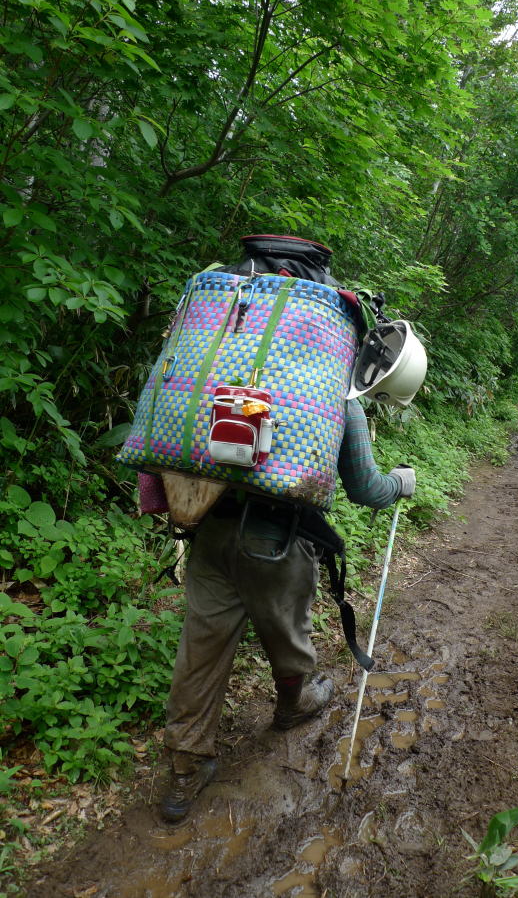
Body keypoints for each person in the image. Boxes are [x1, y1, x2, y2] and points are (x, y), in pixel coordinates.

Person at [158, 237, 426, 823]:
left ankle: (184, 770)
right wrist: (401, 483)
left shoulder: (212, 367)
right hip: (276, 540)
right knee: (287, 634)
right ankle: (294, 704)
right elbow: (366, 489)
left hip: (206, 525)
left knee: (200, 651)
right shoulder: (330, 395)